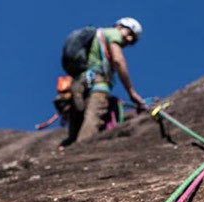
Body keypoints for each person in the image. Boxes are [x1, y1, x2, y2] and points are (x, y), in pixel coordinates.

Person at [58, 17, 146, 150]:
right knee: (94, 117)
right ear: (120, 27)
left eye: (132, 40)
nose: (129, 40)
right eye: (130, 34)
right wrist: (131, 92)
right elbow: (118, 60)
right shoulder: (112, 33)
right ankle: (79, 151)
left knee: (77, 122)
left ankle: (64, 150)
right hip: (97, 82)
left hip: (79, 82)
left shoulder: (97, 36)